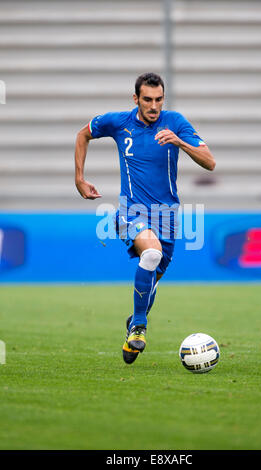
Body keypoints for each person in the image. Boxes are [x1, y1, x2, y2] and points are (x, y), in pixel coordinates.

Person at [74, 72, 216, 364]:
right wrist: (79, 178)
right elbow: (83, 134)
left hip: (167, 215)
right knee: (151, 253)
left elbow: (210, 162)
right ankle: (140, 325)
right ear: (136, 98)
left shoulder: (175, 123)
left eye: (159, 99)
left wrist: (179, 142)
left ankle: (133, 323)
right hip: (131, 212)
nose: (154, 106)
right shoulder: (118, 122)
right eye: (148, 99)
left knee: (153, 274)